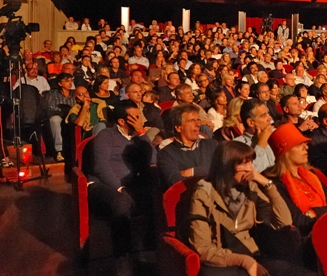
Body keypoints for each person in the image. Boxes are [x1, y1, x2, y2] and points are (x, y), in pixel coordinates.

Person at [188, 141, 308, 276]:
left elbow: (284, 222)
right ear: (227, 166)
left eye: (251, 162)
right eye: (244, 163)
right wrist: (245, 261)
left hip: (253, 255)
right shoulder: (204, 194)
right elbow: (202, 248)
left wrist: (268, 185)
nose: (250, 169)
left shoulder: (251, 188)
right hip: (222, 262)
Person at [86, 101, 157, 267]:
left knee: (156, 193)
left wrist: (141, 132)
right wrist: (119, 187)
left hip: (130, 185)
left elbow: (153, 160)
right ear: (122, 121)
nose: (140, 121)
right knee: (121, 201)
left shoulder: (138, 138)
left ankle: (150, 249)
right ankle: (122, 256)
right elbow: (101, 167)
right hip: (102, 184)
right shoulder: (106, 135)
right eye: (135, 118)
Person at [263, 123, 327, 267]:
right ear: (286, 151)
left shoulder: (311, 174)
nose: (306, 147)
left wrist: (314, 213)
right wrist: (325, 214)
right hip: (304, 243)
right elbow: (298, 221)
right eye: (299, 145)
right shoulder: (275, 182)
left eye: (305, 144)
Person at [157, 104, 218, 190]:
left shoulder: (212, 145)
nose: (198, 124)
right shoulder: (166, 154)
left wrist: (193, 171)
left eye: (198, 120)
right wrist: (210, 173)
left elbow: (226, 170)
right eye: (192, 121)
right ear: (178, 127)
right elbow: (176, 183)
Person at [233, 98, 276, 173]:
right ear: (251, 122)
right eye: (263, 115)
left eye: (268, 114)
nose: (270, 118)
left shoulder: (275, 135)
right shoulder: (237, 145)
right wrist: (261, 145)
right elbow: (247, 174)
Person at [43, 73, 76, 162]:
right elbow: (49, 109)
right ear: (60, 84)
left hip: (72, 117)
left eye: (71, 81)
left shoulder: (75, 94)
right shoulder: (52, 94)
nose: (70, 83)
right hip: (59, 117)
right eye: (66, 81)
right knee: (55, 119)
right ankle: (59, 151)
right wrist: (64, 111)